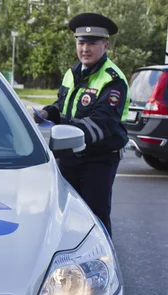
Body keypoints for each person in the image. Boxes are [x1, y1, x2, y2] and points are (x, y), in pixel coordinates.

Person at [34, 13, 130, 237]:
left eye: (92, 43)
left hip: (98, 159)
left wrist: (66, 135)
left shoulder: (113, 79)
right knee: (67, 214)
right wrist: (46, 113)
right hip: (68, 154)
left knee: (95, 216)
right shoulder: (72, 72)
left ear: (105, 45)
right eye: (81, 43)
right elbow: (63, 106)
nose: (85, 48)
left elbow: (102, 123)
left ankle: (102, 262)